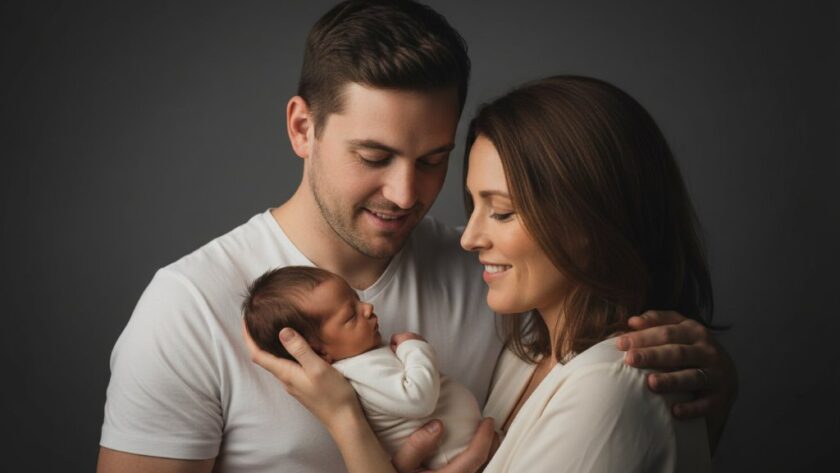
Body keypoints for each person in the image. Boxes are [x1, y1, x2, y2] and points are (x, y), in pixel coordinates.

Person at [98, 1, 737, 472]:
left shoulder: (493, 277)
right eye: (374, 156)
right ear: (302, 128)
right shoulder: (189, 308)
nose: (406, 195)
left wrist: (711, 384)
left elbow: (602, 402)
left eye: (432, 159)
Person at [246, 75, 721, 472]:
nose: (468, 238)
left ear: (590, 223)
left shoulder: (611, 389)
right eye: (474, 206)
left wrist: (346, 420)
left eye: (503, 212)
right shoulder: (528, 350)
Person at [242, 265, 482, 468]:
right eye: (350, 316)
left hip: (463, 446)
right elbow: (418, 399)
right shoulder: (359, 371)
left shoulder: (365, 357)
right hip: (453, 455)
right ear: (318, 352)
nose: (367, 308)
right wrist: (415, 347)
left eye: (357, 300)